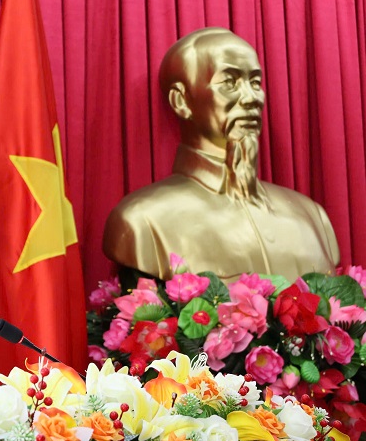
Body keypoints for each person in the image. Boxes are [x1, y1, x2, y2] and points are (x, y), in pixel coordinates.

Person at [103, 27, 339, 284]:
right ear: (181, 101)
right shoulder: (142, 222)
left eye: (256, 83)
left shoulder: (313, 217)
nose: (251, 98)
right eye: (230, 82)